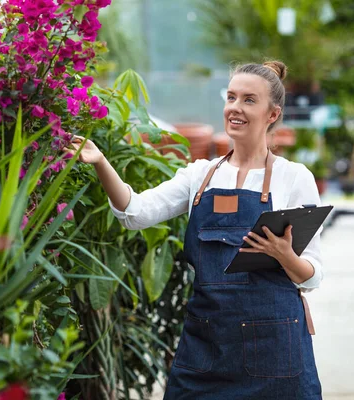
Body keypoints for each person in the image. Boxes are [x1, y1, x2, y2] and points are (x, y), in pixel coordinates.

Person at [64, 61, 323, 399]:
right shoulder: (199, 176)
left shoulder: (294, 178)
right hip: (208, 344)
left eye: (249, 100)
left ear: (272, 114)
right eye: (231, 97)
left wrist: (284, 255)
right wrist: (100, 161)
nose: (235, 108)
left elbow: (312, 276)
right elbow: (135, 213)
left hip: (273, 346)